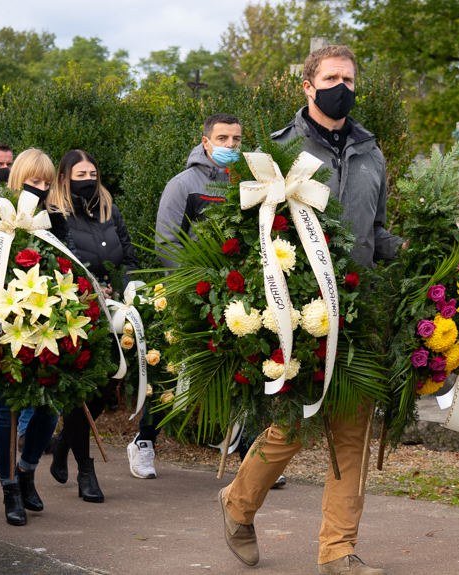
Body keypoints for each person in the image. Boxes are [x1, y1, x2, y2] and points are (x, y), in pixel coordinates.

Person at [218, 45, 400, 575]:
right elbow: (250, 234)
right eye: (330, 77)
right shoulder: (278, 151)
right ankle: (237, 503)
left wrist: (411, 250)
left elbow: (377, 230)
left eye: (348, 77)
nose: (340, 85)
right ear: (307, 85)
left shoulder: (371, 151)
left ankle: (338, 551)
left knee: (352, 432)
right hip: (297, 311)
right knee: (293, 425)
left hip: (359, 311)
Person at [131, 113, 243, 480]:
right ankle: (144, 442)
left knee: (237, 370)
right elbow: (166, 241)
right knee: (170, 371)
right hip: (187, 295)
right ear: (206, 141)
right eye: (222, 138)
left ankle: (243, 451)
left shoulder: (245, 183)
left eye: (236, 140)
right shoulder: (182, 185)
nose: (229, 146)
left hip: (235, 294)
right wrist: (197, 281)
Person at [47, 149, 138, 503]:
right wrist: (87, 286)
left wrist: (119, 281)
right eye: (79, 174)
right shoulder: (56, 214)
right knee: (82, 392)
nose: (87, 180)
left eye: (92, 174)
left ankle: (62, 443)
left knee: (108, 386)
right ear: (64, 178)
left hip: (113, 311)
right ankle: (86, 469)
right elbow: (55, 259)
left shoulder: (110, 211)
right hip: (78, 311)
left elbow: (128, 257)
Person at [0, 148, 61, 526]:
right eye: (35, 182)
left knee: (51, 408)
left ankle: (28, 468)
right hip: (7, 327)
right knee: (7, 411)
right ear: (18, 181)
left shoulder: (53, 221)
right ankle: (9, 487)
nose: (42, 189)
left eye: (48, 183)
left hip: (47, 327)